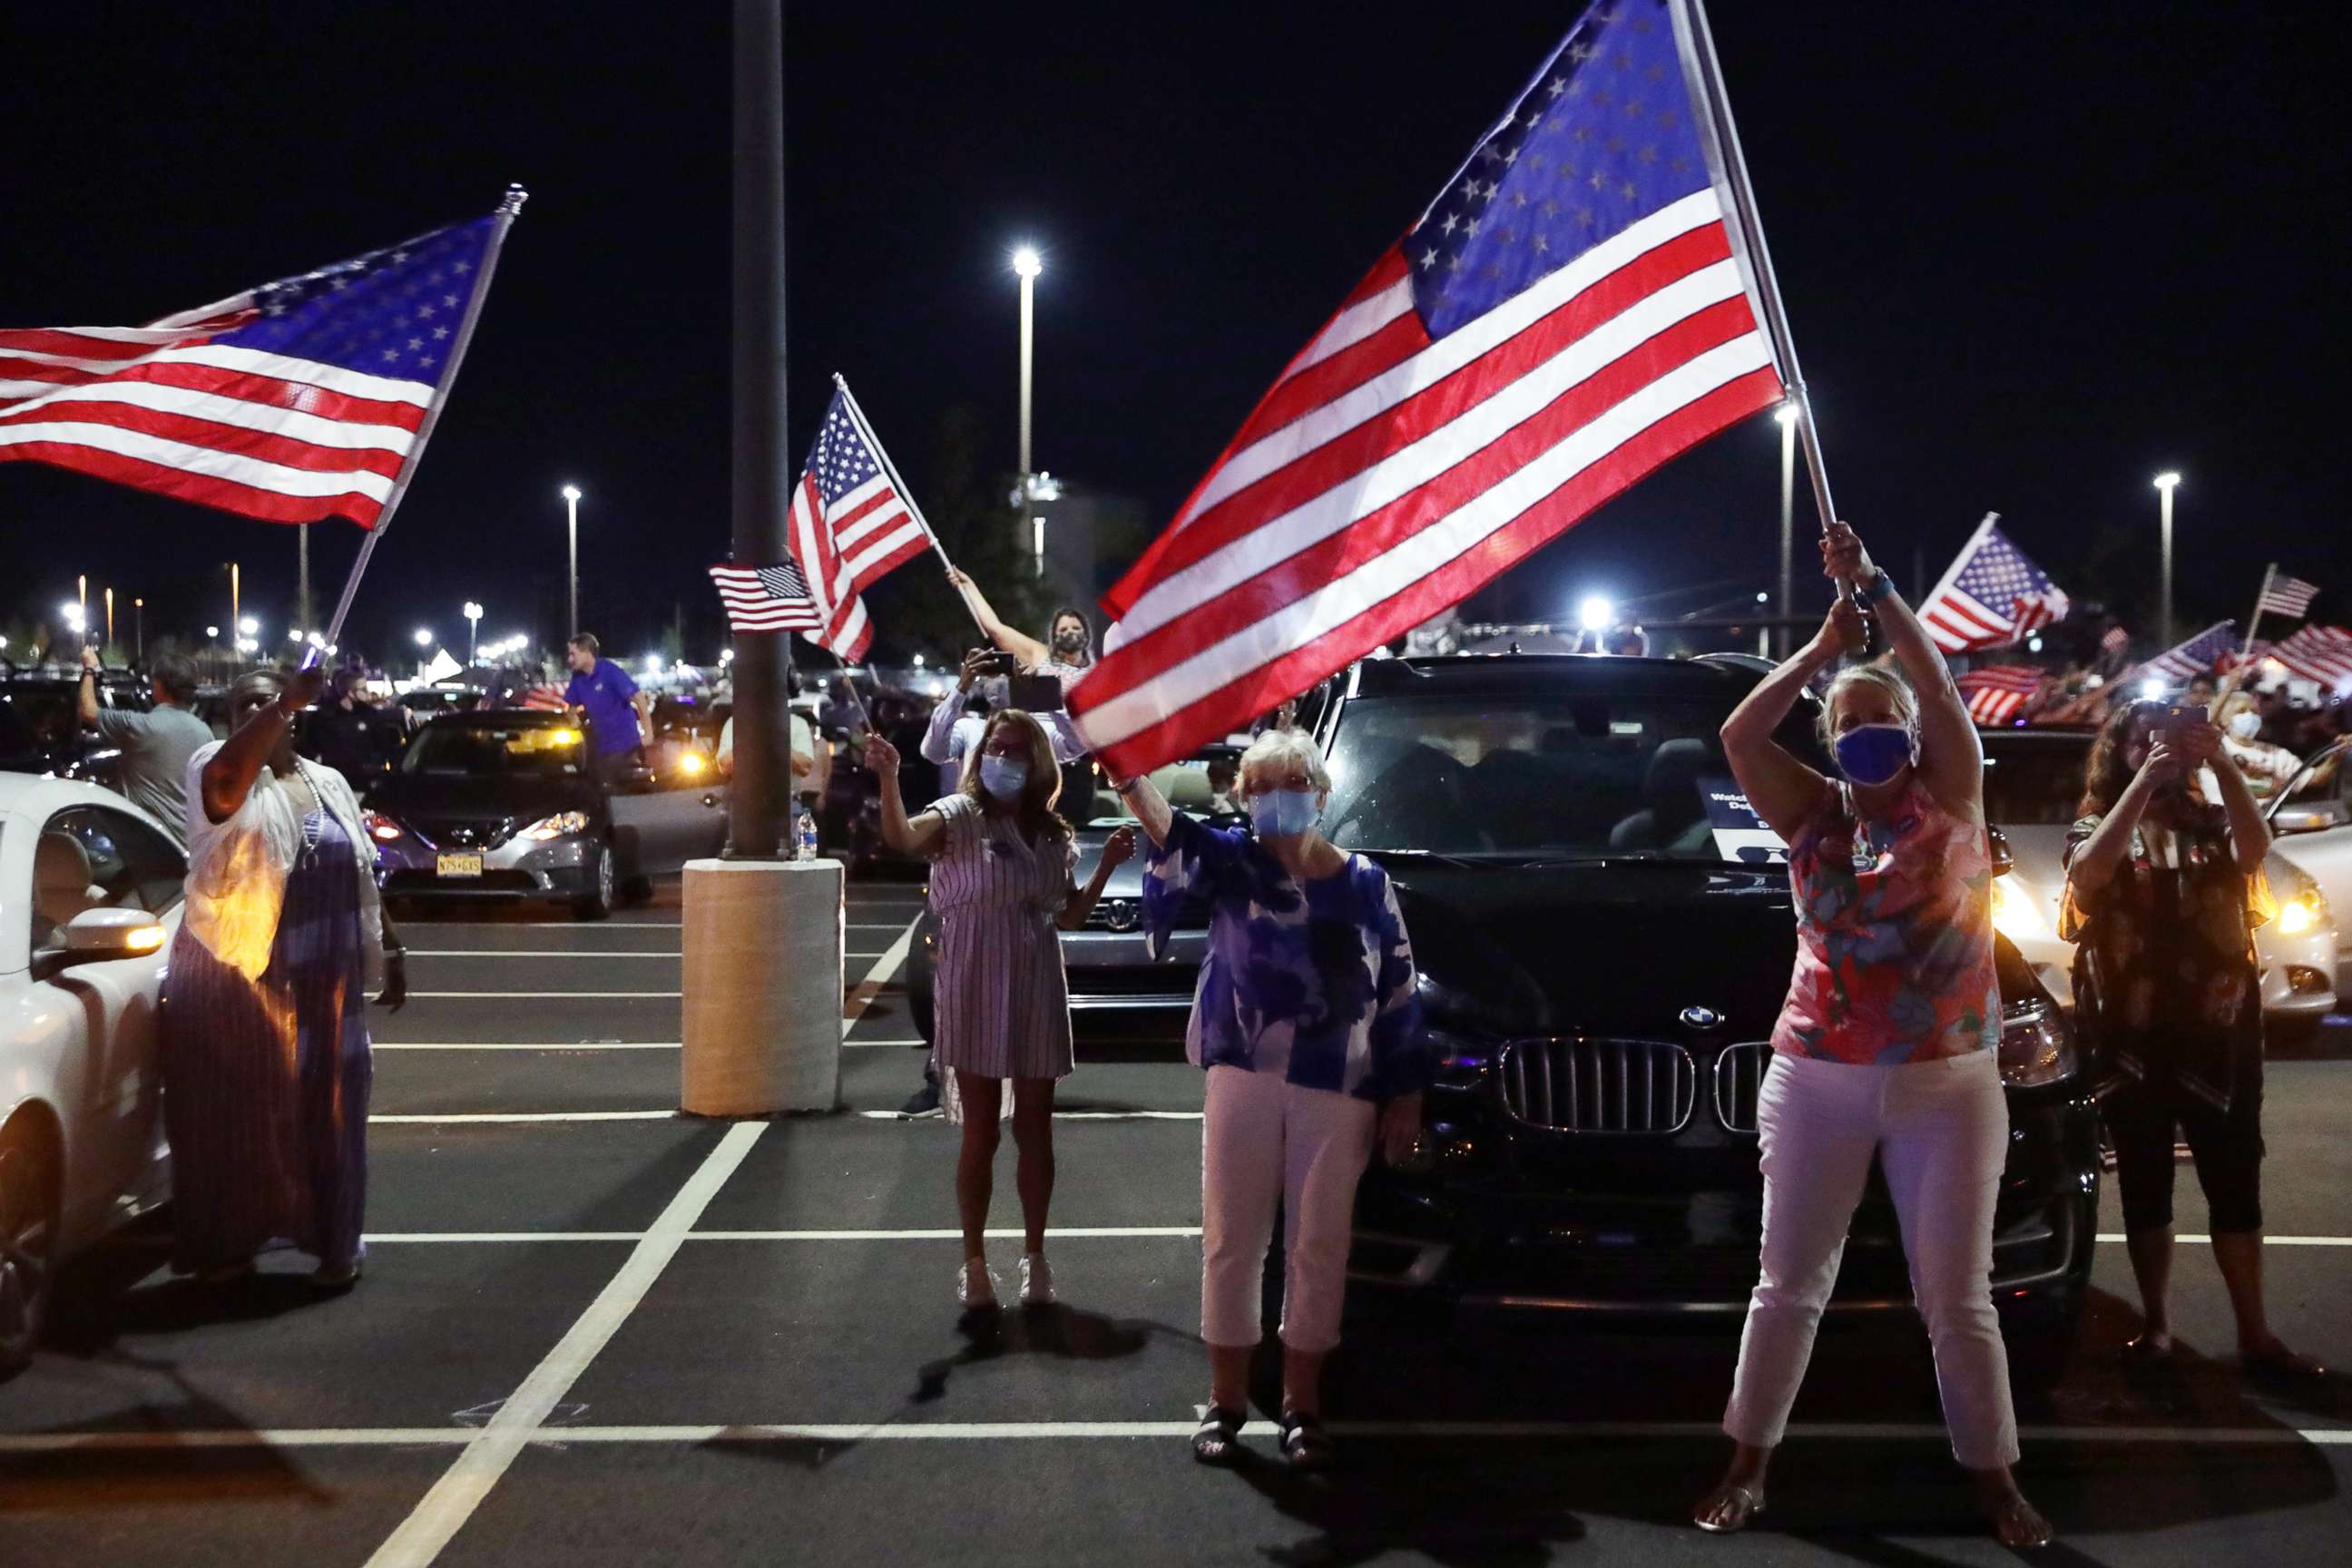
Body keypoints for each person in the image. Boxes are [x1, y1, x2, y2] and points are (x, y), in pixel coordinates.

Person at [1700, 520, 2051, 1547]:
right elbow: (1735, 739)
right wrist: (1817, 654)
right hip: (1819, 1077)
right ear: (1829, 735)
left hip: (1949, 1079)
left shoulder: (1953, 795)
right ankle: (1748, 1463)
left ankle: (1996, 1480)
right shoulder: (1810, 814)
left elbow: (1942, 689)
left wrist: (1878, 592)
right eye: (1847, 720)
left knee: (1957, 1297)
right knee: (1787, 1284)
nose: (1867, 732)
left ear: (1908, 729)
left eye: (1879, 717)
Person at [1117, 728, 1428, 1472]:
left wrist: (1405, 1089)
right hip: (1244, 1073)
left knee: (1319, 1244)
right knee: (1232, 1239)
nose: (1271, 800)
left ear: (1321, 796)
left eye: (1287, 784)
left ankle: (1300, 1404)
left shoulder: (1366, 883)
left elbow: (1399, 989)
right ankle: (1227, 1400)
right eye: (1256, 787)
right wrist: (1125, 773)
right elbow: (1167, 828)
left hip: (1339, 1083)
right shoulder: (1235, 864)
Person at [2062, 699, 2326, 1382]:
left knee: (2234, 1179)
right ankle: (2156, 1327)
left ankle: (2255, 1332)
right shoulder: (2097, 821)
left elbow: (2254, 850)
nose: (2162, 748)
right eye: (2144, 741)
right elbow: (2089, 875)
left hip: (2218, 1035)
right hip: (2130, 1035)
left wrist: (2224, 765)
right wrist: (2145, 784)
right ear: (2119, 751)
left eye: (2174, 739)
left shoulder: (2210, 820)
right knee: (2146, 1183)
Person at [867, 715, 1136, 1310]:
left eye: (1016, 750)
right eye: (995, 747)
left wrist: (1108, 866)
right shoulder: (957, 817)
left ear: (1039, 763)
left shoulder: (1051, 835)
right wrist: (889, 779)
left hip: (1035, 981)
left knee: (1036, 1127)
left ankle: (1035, 1258)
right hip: (970, 982)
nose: (1003, 758)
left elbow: (1066, 916)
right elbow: (904, 839)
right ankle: (974, 1262)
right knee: (982, 1131)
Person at [164, 666, 407, 1289]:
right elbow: (227, 783)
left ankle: (333, 1243)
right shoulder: (211, 769)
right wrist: (277, 708)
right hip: (236, 976)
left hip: (327, 971)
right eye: (246, 702)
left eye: (268, 699)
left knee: (332, 1103)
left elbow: (361, 866)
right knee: (238, 1111)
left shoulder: (326, 781)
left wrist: (392, 945)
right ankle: (228, 1246)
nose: (260, 709)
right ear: (230, 716)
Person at [946, 567, 1101, 822]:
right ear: (1052, 636)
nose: (1069, 633)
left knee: (1070, 835)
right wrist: (969, 586)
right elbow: (995, 628)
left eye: (1075, 627)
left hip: (1077, 762)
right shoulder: (1040, 656)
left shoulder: (1096, 674)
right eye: (1062, 630)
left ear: (1086, 633)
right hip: (1033, 757)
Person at [78, 647, 211, 848]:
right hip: (191, 847)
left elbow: (88, 711)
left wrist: (89, 668)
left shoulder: (140, 727)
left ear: (158, 685)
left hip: (148, 845)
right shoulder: (205, 733)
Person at [563, 633, 652, 781]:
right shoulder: (577, 678)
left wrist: (648, 733)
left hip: (626, 746)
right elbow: (570, 706)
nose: (569, 659)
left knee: (616, 793)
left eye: (573, 654)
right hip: (601, 748)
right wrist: (572, 717)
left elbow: (639, 698)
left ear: (586, 652)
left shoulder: (609, 671)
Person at [302, 668, 401, 782]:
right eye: (363, 689)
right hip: (334, 782)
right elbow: (310, 750)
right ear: (350, 693)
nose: (368, 692)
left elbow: (384, 745)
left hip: (366, 782)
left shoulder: (371, 715)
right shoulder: (325, 718)